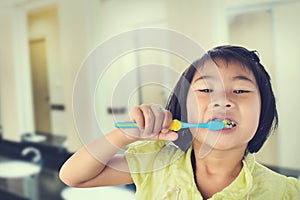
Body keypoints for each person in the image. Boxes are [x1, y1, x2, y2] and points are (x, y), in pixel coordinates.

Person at [59, 45, 300, 199]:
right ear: (183, 109)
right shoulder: (156, 163)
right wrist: (127, 134)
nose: (222, 101)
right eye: (206, 89)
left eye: (239, 91)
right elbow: (74, 177)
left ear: (264, 110)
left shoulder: (285, 192)